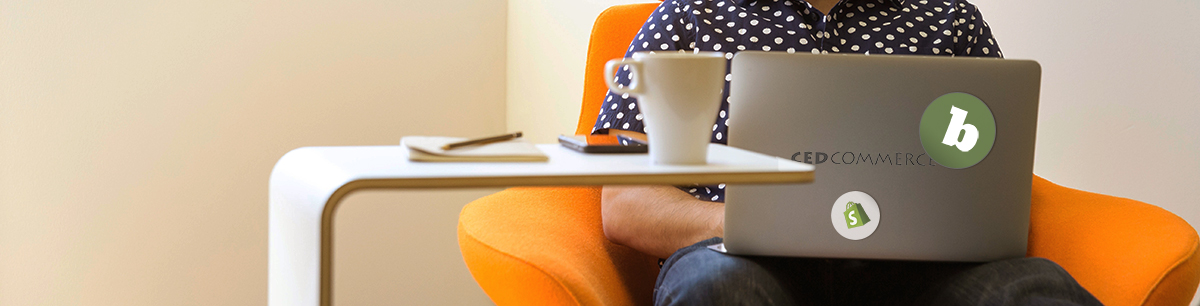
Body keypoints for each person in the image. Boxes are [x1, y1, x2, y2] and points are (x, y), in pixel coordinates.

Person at [593, 0, 1104, 305]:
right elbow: (623, 199)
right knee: (714, 286)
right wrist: (748, 224)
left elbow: (994, 174)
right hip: (740, 259)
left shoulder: (950, 19)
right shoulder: (691, 15)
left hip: (923, 271)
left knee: (1038, 288)